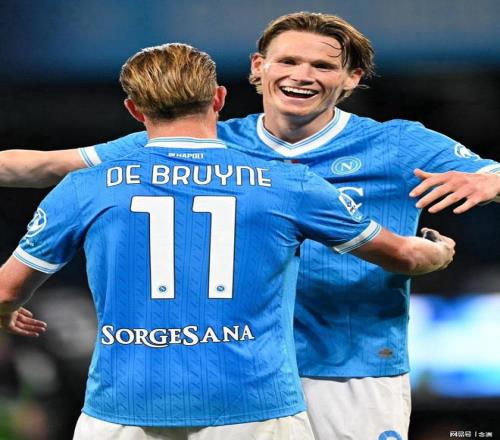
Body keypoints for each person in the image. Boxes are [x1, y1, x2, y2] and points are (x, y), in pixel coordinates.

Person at [0, 11, 498, 440]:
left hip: (350, 365)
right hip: (243, 371)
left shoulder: (400, 144)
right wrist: (431, 254)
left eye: (323, 66)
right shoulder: (209, 142)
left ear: (352, 78)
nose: (302, 75)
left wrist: (490, 180)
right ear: (259, 67)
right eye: (288, 61)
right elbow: (42, 165)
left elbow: (492, 175)